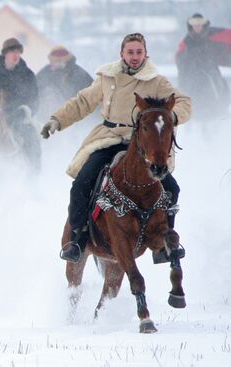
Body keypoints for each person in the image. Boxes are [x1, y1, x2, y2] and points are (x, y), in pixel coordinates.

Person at [40, 33, 192, 262]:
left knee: (171, 187)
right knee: (82, 183)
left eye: (139, 52)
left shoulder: (157, 81)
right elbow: (83, 102)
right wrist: (57, 120)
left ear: (145, 54)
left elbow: (184, 102)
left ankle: (165, 244)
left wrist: (170, 116)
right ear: (122, 54)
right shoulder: (107, 76)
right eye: (130, 52)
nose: (134, 57)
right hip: (108, 139)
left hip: (142, 145)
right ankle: (78, 239)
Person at [176, 13, 231, 120]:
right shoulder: (186, 42)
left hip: (211, 72)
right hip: (193, 76)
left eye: (200, 24)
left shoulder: (213, 35)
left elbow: (225, 45)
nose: (197, 27)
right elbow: (180, 61)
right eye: (195, 25)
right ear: (191, 26)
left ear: (204, 25)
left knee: (219, 89)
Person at [36, 45, 93, 121]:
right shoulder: (44, 74)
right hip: (48, 120)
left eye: (59, 62)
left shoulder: (79, 75)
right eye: (54, 62)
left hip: (77, 119)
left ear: (66, 61)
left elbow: (93, 96)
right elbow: (34, 95)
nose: (56, 64)